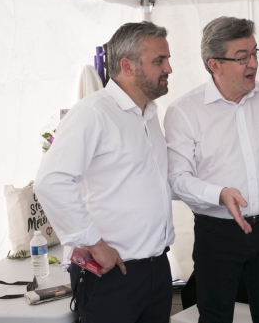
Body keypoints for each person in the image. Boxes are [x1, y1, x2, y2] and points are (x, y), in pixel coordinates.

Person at [164, 16, 259, 323]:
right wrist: (220, 194)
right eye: (242, 58)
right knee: (215, 316)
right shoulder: (184, 111)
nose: (253, 63)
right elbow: (177, 180)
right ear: (215, 65)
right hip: (218, 234)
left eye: (255, 53)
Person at [35, 21, 175, 323]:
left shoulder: (149, 114)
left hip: (156, 269)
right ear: (127, 65)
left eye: (167, 59)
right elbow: (51, 181)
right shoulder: (92, 113)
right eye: (159, 60)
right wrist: (94, 244)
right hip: (113, 274)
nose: (169, 69)